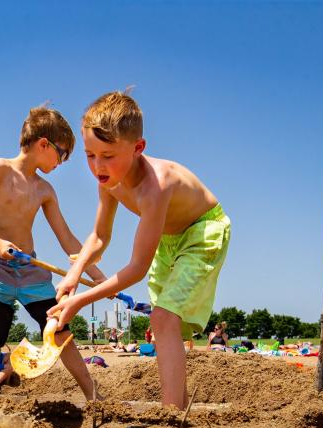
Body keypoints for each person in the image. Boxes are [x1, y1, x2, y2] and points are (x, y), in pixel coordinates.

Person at [49, 91, 231, 408]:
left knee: (163, 317)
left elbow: (137, 268)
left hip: (203, 231)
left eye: (108, 155)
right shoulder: (107, 181)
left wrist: (79, 301)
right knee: (163, 324)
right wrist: (73, 277)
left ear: (138, 148)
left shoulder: (156, 187)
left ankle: (171, 414)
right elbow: (99, 237)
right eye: (90, 155)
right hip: (167, 237)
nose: (97, 166)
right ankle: (180, 405)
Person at [0, 106, 107, 400]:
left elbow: (68, 239)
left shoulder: (45, 190)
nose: (62, 162)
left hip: (30, 271)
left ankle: (93, 396)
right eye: (62, 154)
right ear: (44, 144)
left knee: (60, 331)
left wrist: (100, 279)